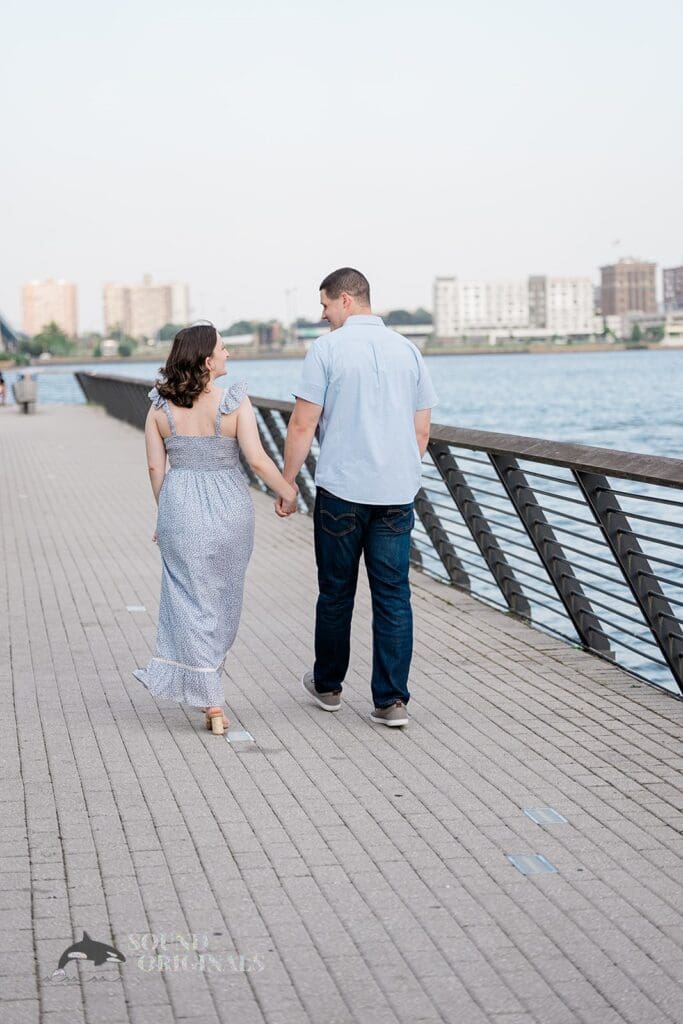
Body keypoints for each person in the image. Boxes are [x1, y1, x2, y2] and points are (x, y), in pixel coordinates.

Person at [276, 268, 437, 727]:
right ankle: (391, 702)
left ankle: (328, 686)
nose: (323, 315)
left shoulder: (326, 350)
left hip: (342, 492)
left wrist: (288, 484)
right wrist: (397, 470)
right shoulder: (409, 351)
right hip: (395, 494)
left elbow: (303, 424)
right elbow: (421, 430)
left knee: (336, 594)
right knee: (393, 596)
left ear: (346, 300)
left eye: (325, 304)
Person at [134, 323, 298, 735]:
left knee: (188, 600)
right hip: (230, 511)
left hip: (180, 508)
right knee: (223, 600)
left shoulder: (159, 409)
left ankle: (208, 695)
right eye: (224, 349)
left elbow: (157, 468)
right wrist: (289, 492)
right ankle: (212, 695)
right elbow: (258, 461)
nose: (229, 355)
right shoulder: (234, 403)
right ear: (208, 361)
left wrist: (165, 512)